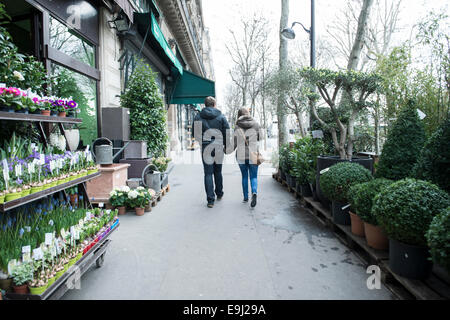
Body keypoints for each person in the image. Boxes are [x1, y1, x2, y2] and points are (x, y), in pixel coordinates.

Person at [192, 96, 230, 208]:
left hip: (206, 147)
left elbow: (195, 133)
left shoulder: (198, 117)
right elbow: (227, 132)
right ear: (214, 105)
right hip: (218, 147)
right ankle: (219, 193)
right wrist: (227, 146)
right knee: (218, 172)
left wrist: (202, 142)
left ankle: (210, 200)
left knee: (208, 173)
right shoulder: (221, 117)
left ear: (205, 105)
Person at [233, 108, 262, 208]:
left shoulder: (237, 126)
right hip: (253, 153)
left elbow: (234, 143)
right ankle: (254, 192)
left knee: (244, 176)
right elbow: (260, 137)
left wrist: (226, 150)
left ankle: (245, 197)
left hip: (241, 155)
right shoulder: (256, 124)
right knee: (253, 177)